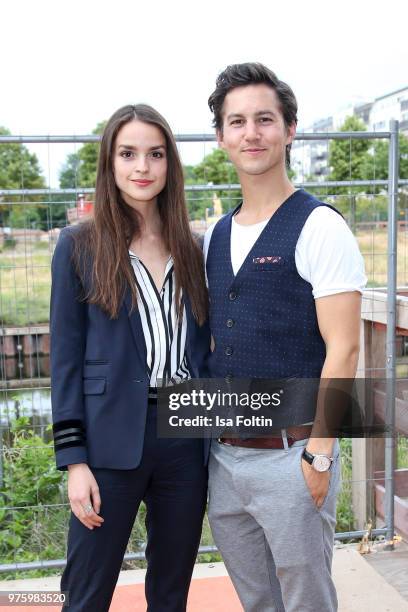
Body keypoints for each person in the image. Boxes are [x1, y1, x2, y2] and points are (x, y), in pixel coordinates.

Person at [203, 63, 366, 612]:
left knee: (306, 603)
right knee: (258, 603)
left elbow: (344, 347)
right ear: (221, 136)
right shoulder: (216, 236)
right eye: (238, 121)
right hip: (225, 457)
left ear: (290, 130)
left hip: (292, 453)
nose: (252, 132)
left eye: (265, 119)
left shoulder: (320, 226)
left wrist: (319, 453)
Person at [50, 104, 210, 612]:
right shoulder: (79, 245)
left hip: (184, 436)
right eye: (128, 153)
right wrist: (74, 461)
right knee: (87, 593)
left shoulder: (192, 246)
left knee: (171, 593)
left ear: (170, 164)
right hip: (108, 439)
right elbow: (66, 361)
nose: (142, 167)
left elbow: (203, 349)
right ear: (110, 163)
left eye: (155, 154)